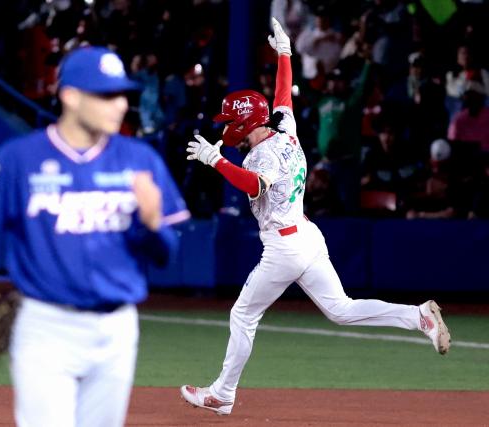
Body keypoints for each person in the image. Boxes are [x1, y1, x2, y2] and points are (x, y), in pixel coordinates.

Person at [179, 17, 451, 416]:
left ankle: (223, 393)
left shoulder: (262, 154)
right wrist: (285, 55)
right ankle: (418, 317)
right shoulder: (284, 130)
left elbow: (255, 185)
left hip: (285, 247)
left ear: (242, 123)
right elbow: (282, 99)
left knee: (243, 313)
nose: (226, 128)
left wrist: (216, 160)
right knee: (340, 309)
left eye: (229, 122)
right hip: (307, 236)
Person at [0, 46, 190, 427]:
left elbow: (165, 256)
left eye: (122, 94)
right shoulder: (19, 159)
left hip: (117, 330)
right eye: (105, 95)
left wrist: (153, 223)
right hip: (45, 327)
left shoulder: (139, 160)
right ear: (70, 96)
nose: (119, 105)